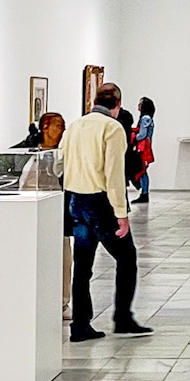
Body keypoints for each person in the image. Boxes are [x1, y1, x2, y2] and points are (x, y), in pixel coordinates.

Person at [60, 85, 153, 340]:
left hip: (75, 201)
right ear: (118, 104)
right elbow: (113, 175)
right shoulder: (112, 128)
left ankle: (80, 324)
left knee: (83, 266)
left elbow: (60, 161)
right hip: (100, 204)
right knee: (126, 257)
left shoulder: (76, 126)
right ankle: (122, 317)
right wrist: (121, 214)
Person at [132, 97, 156, 203]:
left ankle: (144, 193)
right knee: (143, 171)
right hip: (146, 147)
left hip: (143, 148)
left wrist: (132, 137)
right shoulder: (148, 118)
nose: (138, 106)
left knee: (142, 171)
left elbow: (142, 135)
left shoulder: (145, 118)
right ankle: (144, 193)